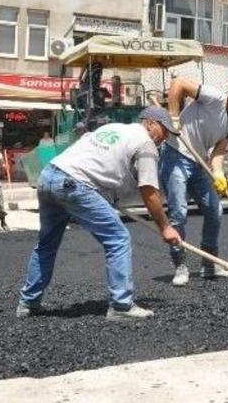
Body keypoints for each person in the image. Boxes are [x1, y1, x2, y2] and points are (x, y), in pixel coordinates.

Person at [17, 107, 181, 322]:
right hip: (74, 183)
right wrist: (165, 227)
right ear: (150, 123)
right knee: (118, 239)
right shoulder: (145, 144)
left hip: (49, 175)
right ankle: (121, 305)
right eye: (164, 131)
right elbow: (149, 190)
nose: (164, 138)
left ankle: (28, 303)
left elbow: (95, 159)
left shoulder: (114, 128)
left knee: (46, 243)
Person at [162, 78, 228, 286]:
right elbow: (178, 83)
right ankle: (180, 265)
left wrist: (218, 173)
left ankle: (210, 264)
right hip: (176, 154)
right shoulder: (214, 98)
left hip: (199, 163)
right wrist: (173, 116)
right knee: (179, 213)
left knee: (215, 211)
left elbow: (219, 150)